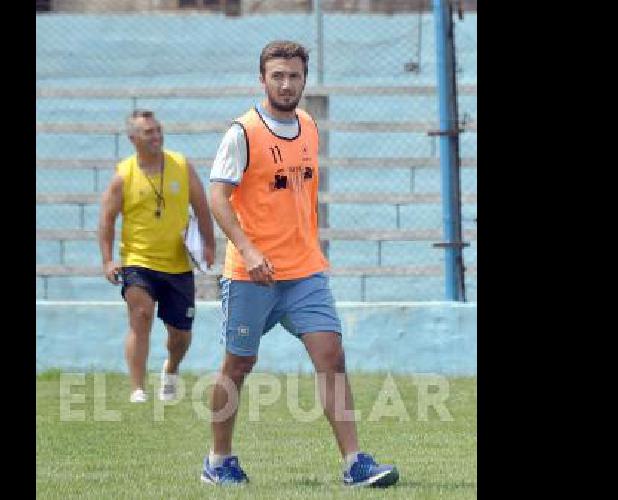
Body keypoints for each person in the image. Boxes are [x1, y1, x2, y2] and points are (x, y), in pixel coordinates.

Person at [200, 40, 399, 487]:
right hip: (251, 275)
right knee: (237, 366)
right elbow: (217, 196)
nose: (286, 84)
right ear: (262, 79)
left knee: (331, 356)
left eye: (293, 76)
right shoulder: (243, 132)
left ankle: (355, 463)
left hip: (305, 272)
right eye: (277, 76)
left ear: (304, 79)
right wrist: (249, 251)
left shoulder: (309, 125)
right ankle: (218, 460)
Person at [97, 109, 215, 403]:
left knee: (180, 336)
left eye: (158, 130)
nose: (156, 136)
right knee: (141, 315)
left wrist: (210, 245)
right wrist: (108, 260)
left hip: (178, 263)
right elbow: (106, 220)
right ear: (133, 138)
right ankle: (138, 388)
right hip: (138, 261)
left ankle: (171, 368)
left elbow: (202, 207)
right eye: (148, 132)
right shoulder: (123, 175)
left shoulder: (181, 165)